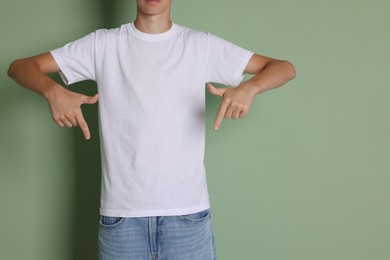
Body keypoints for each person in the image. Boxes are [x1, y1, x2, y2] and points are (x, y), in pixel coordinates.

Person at [8, 0, 296, 259]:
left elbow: (283, 67)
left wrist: (250, 88)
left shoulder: (199, 45)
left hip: (188, 218)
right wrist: (52, 91)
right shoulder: (103, 45)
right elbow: (21, 66)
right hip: (121, 222)